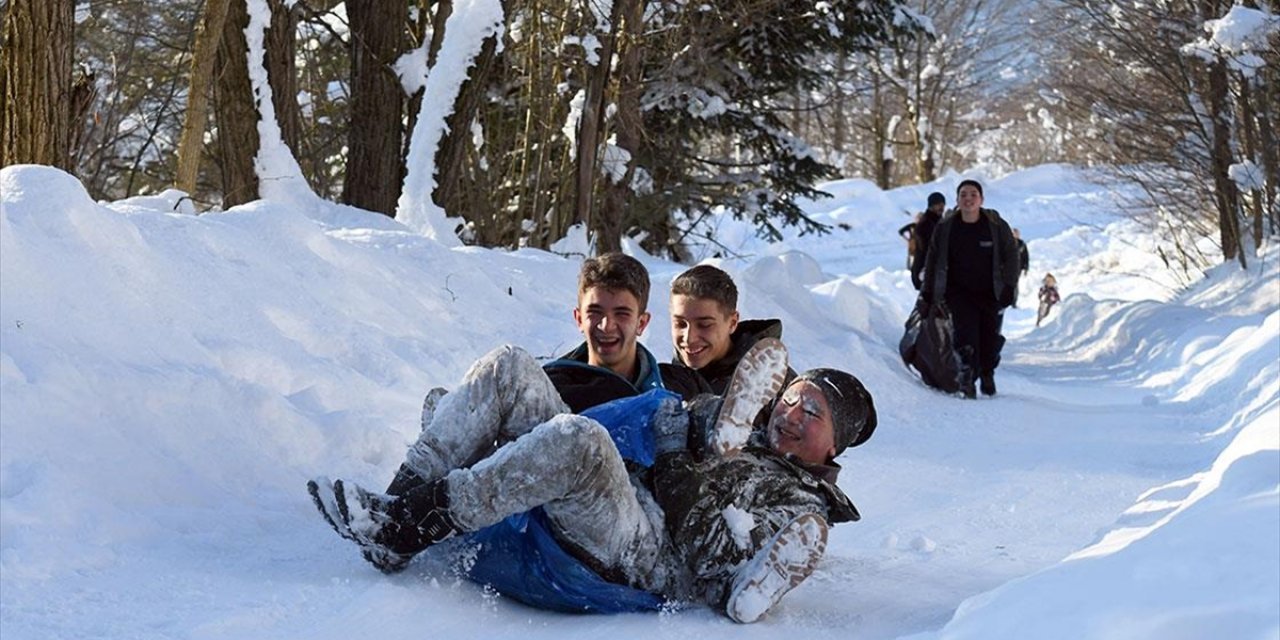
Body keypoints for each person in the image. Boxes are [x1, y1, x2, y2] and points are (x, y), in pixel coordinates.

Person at [307, 339, 877, 623]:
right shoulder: (746, 436)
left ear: (834, 445)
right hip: (631, 497)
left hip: (651, 557)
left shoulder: (799, 504)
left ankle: (409, 525)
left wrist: (678, 455)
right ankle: (396, 503)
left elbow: (705, 552)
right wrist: (693, 426)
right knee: (509, 367)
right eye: (792, 399)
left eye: (813, 414)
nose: (791, 415)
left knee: (577, 442)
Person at [919, 179, 1020, 398]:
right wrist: (928, 291)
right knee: (965, 337)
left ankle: (987, 372)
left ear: (981, 199)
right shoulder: (946, 227)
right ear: (957, 200)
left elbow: (1012, 255)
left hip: (990, 292)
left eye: (973, 194)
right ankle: (966, 377)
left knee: (989, 339)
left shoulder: (995, 225)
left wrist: (1010, 286)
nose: (968, 199)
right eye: (963, 194)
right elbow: (933, 259)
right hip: (958, 293)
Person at [667, 264, 794, 395]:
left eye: (704, 325)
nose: (689, 338)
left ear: (732, 323)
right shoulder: (661, 382)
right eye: (680, 324)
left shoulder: (773, 384)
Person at [910, 192, 947, 290]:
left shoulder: (938, 221)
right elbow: (927, 250)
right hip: (925, 271)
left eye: (943, 205)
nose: (941, 207)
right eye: (938, 205)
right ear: (931, 206)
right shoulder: (925, 224)